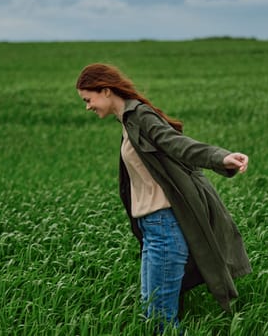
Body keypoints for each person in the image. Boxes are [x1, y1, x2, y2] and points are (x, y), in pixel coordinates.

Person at [76, 63, 252, 333]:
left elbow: (177, 144)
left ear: (106, 91)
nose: (88, 106)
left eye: (88, 99)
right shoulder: (126, 121)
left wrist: (220, 157)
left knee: (160, 319)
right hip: (152, 229)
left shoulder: (140, 116)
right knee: (152, 313)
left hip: (164, 226)